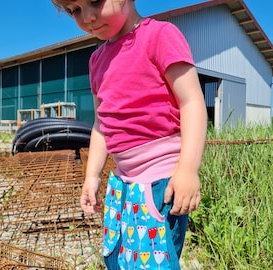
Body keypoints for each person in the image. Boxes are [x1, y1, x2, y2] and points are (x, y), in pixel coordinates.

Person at [51, 0, 207, 269]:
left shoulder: (159, 36)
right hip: (122, 183)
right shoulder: (97, 60)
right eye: (74, 10)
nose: (87, 17)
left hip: (161, 182)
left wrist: (188, 169)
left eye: (95, 2)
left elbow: (191, 102)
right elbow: (102, 124)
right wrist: (92, 176)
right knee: (119, 258)